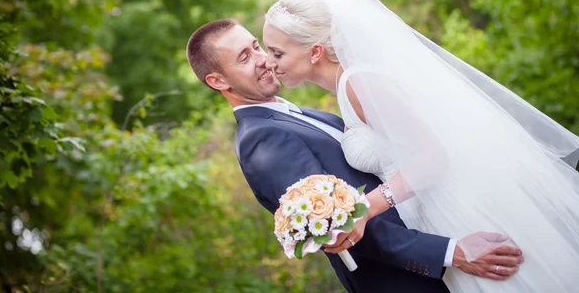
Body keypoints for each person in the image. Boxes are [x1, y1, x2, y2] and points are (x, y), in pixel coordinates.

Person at [262, 0, 579, 292]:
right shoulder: (349, 85)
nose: (269, 63)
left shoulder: (357, 82)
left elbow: (431, 157)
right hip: (430, 212)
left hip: (456, 207)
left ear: (315, 51)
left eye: (277, 53)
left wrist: (362, 209)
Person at [186, 19, 523, 293]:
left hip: (437, 231)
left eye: (256, 46)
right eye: (244, 57)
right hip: (407, 280)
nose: (262, 59)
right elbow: (339, 230)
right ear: (217, 80)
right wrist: (451, 253)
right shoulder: (261, 140)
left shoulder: (298, 114)